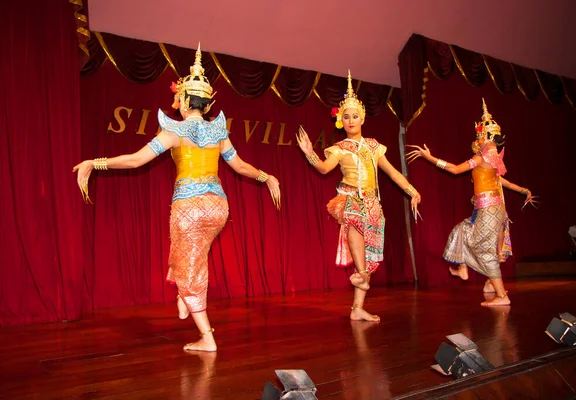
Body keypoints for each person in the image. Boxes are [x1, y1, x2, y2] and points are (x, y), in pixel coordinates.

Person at [73, 43, 281, 351]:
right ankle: (184, 297)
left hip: (187, 208)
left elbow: (135, 160)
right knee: (190, 257)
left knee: (190, 267)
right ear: (207, 105)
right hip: (218, 207)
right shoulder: (218, 133)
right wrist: (268, 177)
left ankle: (206, 336)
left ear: (183, 102)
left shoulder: (173, 131)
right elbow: (238, 166)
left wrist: (96, 162)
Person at [296, 70, 422, 322]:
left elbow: (393, 172)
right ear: (340, 121)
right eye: (346, 116)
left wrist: (412, 191)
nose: (351, 120)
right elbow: (323, 168)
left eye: (355, 115)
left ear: (362, 117)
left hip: (373, 203)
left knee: (371, 255)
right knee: (353, 221)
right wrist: (310, 153)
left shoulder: (375, 146)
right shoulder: (340, 148)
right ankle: (362, 277)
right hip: (349, 199)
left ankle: (357, 307)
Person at [407, 99, 537, 307]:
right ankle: (465, 269)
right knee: (461, 231)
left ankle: (502, 295)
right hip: (489, 208)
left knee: (484, 250)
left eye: (481, 136)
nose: (479, 139)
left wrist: (429, 158)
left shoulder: (482, 157)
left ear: (486, 137)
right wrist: (523, 190)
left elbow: (455, 170)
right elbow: (501, 181)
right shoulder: (495, 159)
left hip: (488, 208)